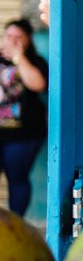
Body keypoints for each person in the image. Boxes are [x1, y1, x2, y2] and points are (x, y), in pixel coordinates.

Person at [0, 18, 49, 217]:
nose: (12, 40)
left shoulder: (36, 61)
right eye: (9, 36)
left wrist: (19, 57)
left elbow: (38, 85)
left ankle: (16, 223)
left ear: (28, 39)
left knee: (17, 178)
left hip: (24, 134)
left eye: (18, 37)